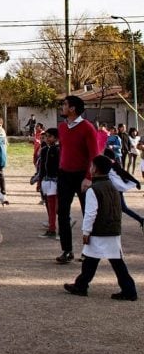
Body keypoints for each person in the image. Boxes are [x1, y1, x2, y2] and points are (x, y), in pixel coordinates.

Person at [63, 156, 138, 301]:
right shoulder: (113, 187)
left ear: (95, 169)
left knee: (97, 260)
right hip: (112, 229)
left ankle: (83, 286)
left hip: (99, 231)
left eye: (91, 166)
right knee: (103, 261)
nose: (90, 168)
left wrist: (86, 232)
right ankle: (82, 285)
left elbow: (91, 214)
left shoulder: (94, 190)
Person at [56, 96, 100, 265]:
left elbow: (94, 155)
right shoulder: (62, 127)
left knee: (88, 213)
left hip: (83, 175)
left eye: (65, 104)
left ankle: (89, 251)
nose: (63, 107)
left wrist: (89, 178)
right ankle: (67, 250)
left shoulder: (87, 128)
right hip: (64, 174)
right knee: (63, 213)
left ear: (73, 108)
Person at [37, 128, 60, 238]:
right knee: (50, 206)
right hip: (46, 181)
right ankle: (52, 229)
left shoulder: (59, 150)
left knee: (56, 206)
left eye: (49, 136)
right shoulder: (45, 150)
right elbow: (41, 168)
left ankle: (58, 229)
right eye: (46, 136)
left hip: (56, 181)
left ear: (56, 138)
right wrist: (39, 181)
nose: (47, 139)